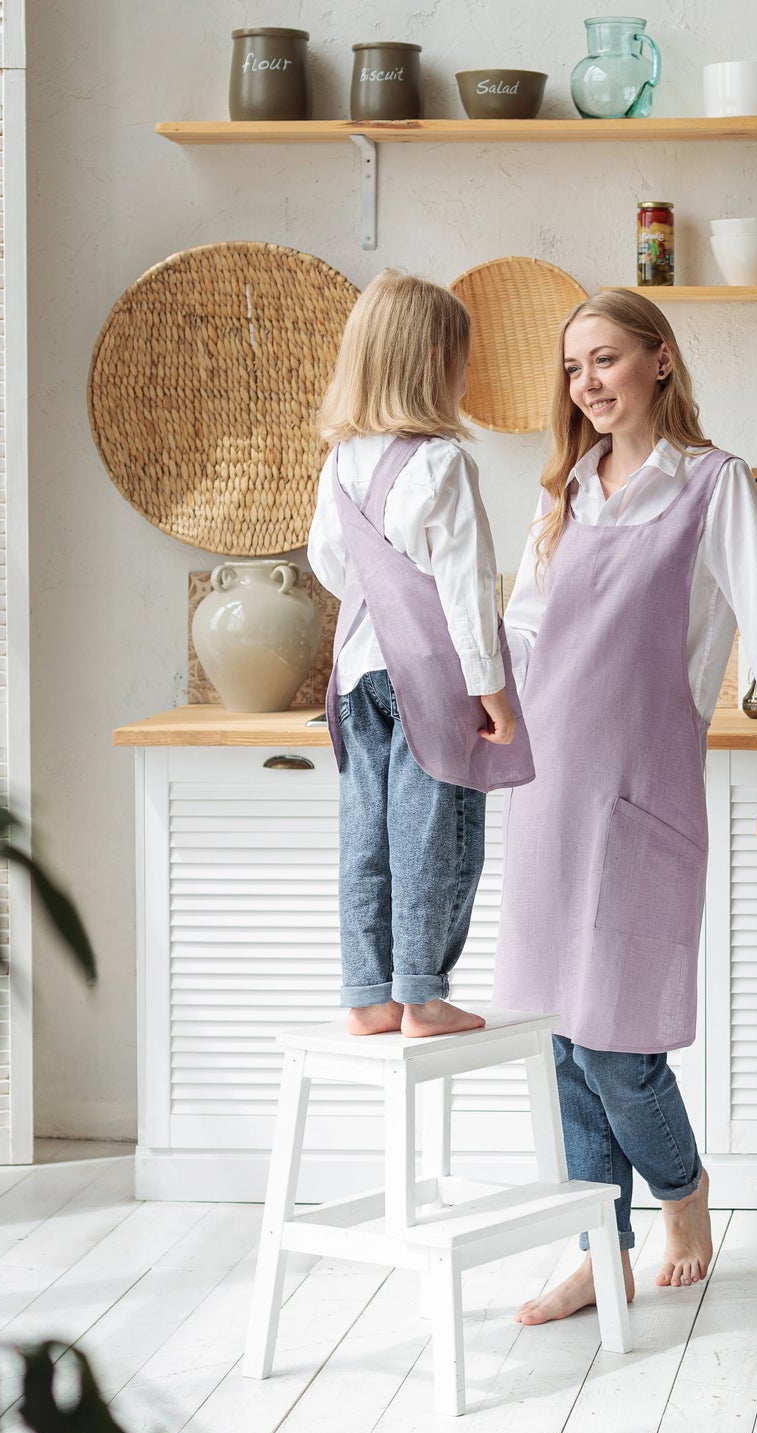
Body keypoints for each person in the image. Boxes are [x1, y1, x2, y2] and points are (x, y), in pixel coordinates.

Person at [495, 290, 757, 1324]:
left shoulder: (712, 483)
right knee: (558, 1035)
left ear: (659, 362)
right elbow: (520, 643)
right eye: (574, 365)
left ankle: (682, 1190)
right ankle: (597, 1245)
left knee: (617, 1039)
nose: (587, 381)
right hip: (543, 792)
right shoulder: (563, 494)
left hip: (637, 792)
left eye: (607, 358)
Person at [308, 271, 533, 1041]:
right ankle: (424, 996)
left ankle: (368, 993)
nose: (467, 376)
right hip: (431, 678)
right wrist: (493, 690)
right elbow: (468, 592)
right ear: (434, 361)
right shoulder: (440, 465)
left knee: (365, 832)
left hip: (357, 671)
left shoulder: (339, 463)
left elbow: (331, 569)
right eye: (462, 361)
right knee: (436, 828)